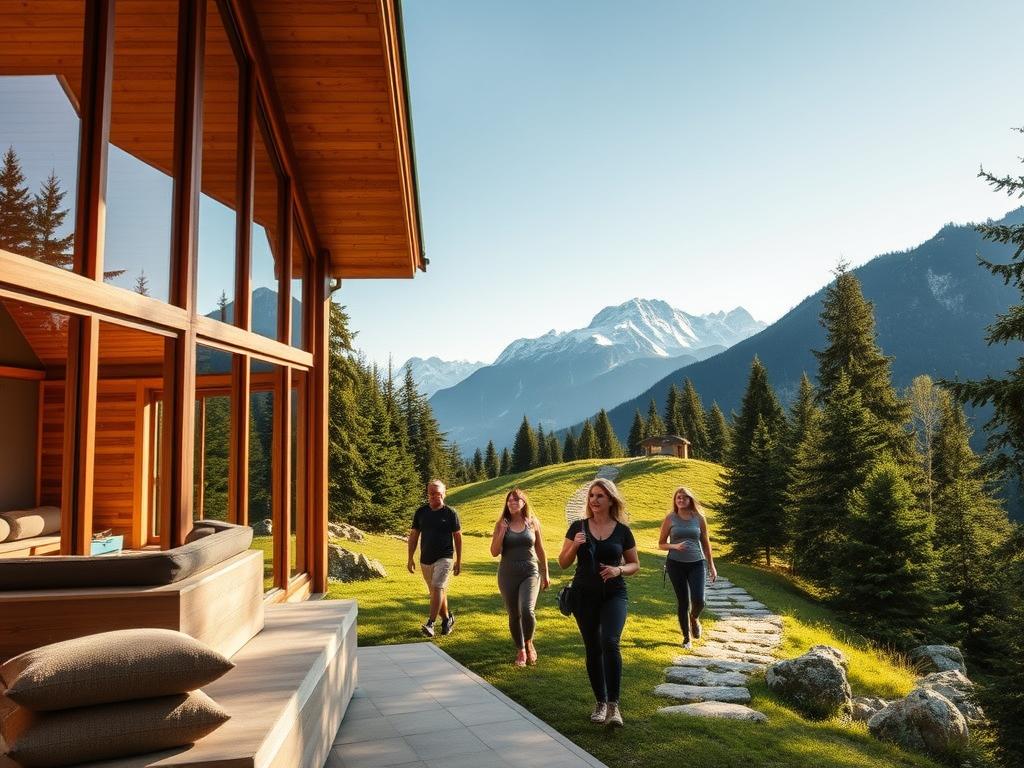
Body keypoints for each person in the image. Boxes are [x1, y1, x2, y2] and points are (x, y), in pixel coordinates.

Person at [557, 478, 639, 728]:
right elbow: (562, 562)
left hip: (614, 594)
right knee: (593, 648)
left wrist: (619, 570)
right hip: (584, 595)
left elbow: (634, 563)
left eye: (600, 496)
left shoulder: (622, 530)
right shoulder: (577, 527)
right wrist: (576, 546)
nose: (594, 500)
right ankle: (600, 702)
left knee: (610, 641)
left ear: (610, 499)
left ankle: (614, 706)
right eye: (592, 495)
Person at [489, 487, 550, 667]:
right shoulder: (501, 523)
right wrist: (501, 532)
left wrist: (545, 573)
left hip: (530, 572)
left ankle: (529, 642)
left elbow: (540, 549)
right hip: (507, 574)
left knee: (526, 610)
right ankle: (521, 649)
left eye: (516, 499)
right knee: (514, 614)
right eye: (509, 500)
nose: (512, 503)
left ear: (524, 503)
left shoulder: (532, 522)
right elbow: (494, 552)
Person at [657, 485, 717, 649]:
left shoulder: (698, 517)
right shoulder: (670, 518)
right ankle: (686, 638)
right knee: (683, 601)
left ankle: (694, 618)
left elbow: (706, 542)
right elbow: (661, 544)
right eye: (678, 497)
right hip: (675, 564)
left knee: (699, 600)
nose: (681, 500)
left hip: (697, 563)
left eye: (684, 497)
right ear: (675, 501)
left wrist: (711, 565)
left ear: (690, 499)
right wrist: (675, 547)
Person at [407, 480, 462, 638]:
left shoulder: (450, 513)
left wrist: (458, 560)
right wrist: (410, 558)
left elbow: (458, 537)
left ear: (444, 494)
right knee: (436, 593)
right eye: (431, 493)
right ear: (428, 494)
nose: (434, 497)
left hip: (445, 557)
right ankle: (446, 619)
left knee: (437, 587)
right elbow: (414, 536)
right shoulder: (421, 512)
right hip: (426, 559)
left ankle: (431, 623)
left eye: (438, 494)